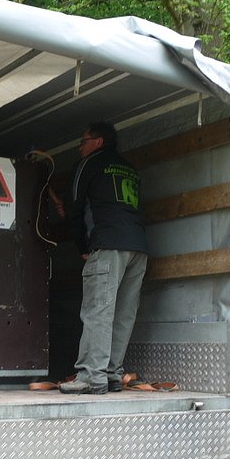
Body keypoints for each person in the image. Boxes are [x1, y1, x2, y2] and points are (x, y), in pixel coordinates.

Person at [59, 122, 148, 395]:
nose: (80, 147)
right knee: (123, 313)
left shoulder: (88, 164)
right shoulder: (129, 168)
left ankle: (90, 375)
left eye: (83, 141)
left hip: (109, 245)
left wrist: (82, 245)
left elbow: (74, 206)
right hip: (138, 248)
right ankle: (111, 373)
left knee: (98, 311)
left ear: (98, 142)